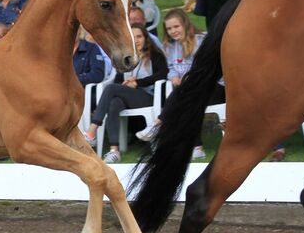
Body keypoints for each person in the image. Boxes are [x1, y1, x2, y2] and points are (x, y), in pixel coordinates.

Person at [136, 10, 215, 161]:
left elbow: (205, 67)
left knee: (185, 93)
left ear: (185, 25)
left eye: (176, 26)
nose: (173, 31)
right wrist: (173, 78)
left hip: (209, 87)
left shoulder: (201, 40)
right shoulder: (171, 47)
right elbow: (171, 68)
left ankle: (158, 124)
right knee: (186, 97)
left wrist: (186, 78)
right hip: (187, 91)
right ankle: (196, 147)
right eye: (169, 29)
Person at [82, 23, 168, 163]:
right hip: (129, 98)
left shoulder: (155, 55)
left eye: (139, 36)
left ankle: (92, 129)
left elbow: (162, 75)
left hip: (150, 97)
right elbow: (117, 79)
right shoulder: (126, 57)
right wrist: (125, 84)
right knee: (114, 103)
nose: (137, 40)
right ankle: (114, 150)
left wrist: (138, 83)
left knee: (111, 89)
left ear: (146, 38)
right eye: (133, 37)